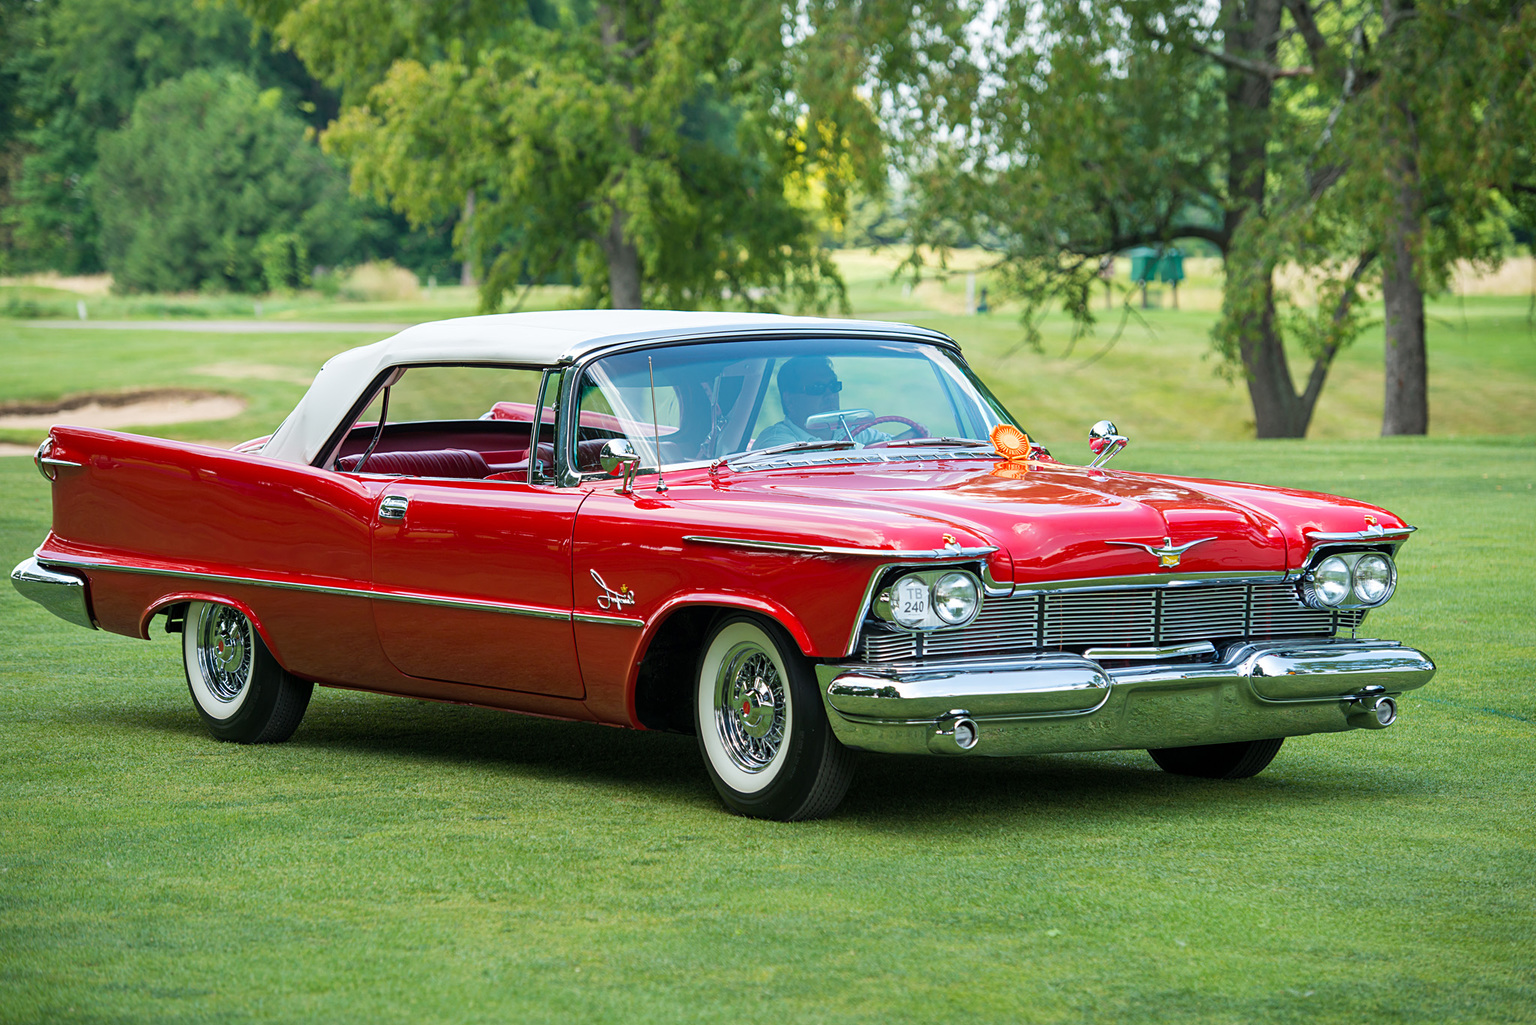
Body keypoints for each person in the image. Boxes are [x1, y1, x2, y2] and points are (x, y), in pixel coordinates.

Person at [755, 356, 886, 449]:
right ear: (790, 400)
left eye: (834, 386)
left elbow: (897, 443)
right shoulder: (776, 442)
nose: (830, 395)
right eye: (817, 388)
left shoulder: (851, 431)